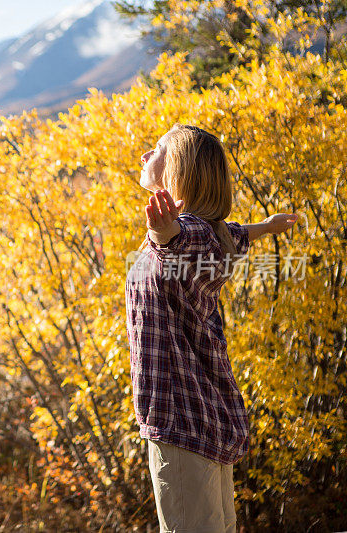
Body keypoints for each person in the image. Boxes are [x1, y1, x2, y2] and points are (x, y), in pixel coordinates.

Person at [125, 123, 298, 532]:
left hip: (180, 420)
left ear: (180, 171)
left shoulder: (191, 233)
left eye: (158, 149)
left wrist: (162, 231)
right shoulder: (216, 234)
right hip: (206, 415)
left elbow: (180, 239)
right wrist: (267, 227)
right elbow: (233, 235)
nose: (146, 156)